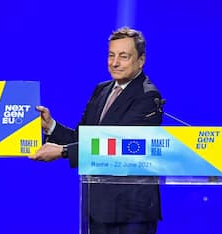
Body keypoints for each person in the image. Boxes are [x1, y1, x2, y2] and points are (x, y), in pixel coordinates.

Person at [30, 27, 162, 234]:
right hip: (98, 208)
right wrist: (51, 126)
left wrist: (63, 151)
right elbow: (82, 138)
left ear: (141, 60)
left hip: (131, 212)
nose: (115, 63)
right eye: (111, 55)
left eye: (123, 56)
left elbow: (120, 148)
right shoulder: (102, 90)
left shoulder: (147, 96)